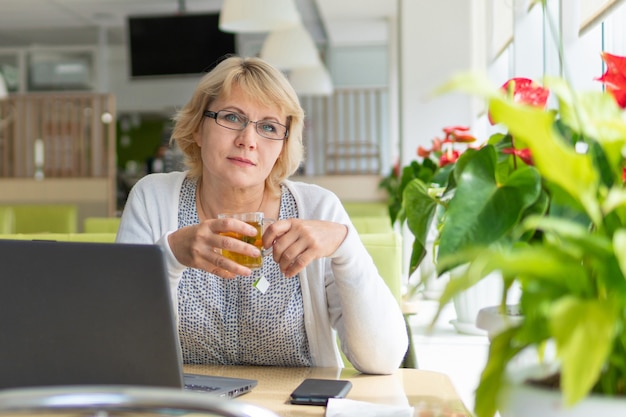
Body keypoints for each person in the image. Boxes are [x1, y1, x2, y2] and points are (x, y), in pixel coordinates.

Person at [116, 55, 408, 375]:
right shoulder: (153, 198)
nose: (248, 140)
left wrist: (346, 247)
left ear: (283, 145)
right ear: (198, 128)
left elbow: (383, 360)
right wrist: (169, 255)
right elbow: (119, 346)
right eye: (231, 117)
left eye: (268, 127)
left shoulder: (317, 208)